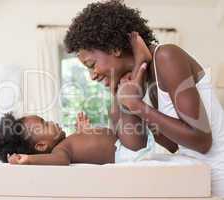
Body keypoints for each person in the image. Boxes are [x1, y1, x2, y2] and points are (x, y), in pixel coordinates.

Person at [64, 0, 224, 196]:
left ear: (114, 47)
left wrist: (138, 106)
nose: (92, 75)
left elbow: (201, 141)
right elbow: (173, 145)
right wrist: (127, 102)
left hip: (218, 179)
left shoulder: (167, 56)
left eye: (91, 64)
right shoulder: (149, 76)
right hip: (196, 176)